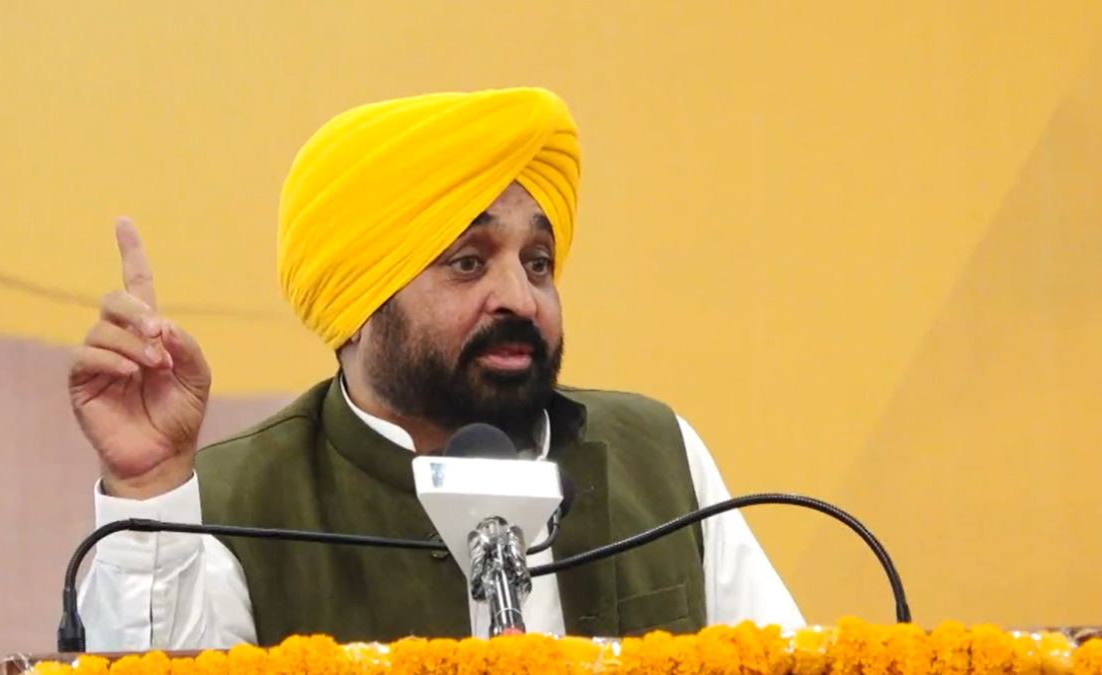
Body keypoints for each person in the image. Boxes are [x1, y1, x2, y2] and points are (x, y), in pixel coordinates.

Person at [70, 87, 804, 653]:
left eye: (537, 262)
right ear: (356, 304)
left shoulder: (656, 455)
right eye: (468, 263)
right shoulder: (239, 501)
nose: (521, 298)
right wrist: (149, 489)